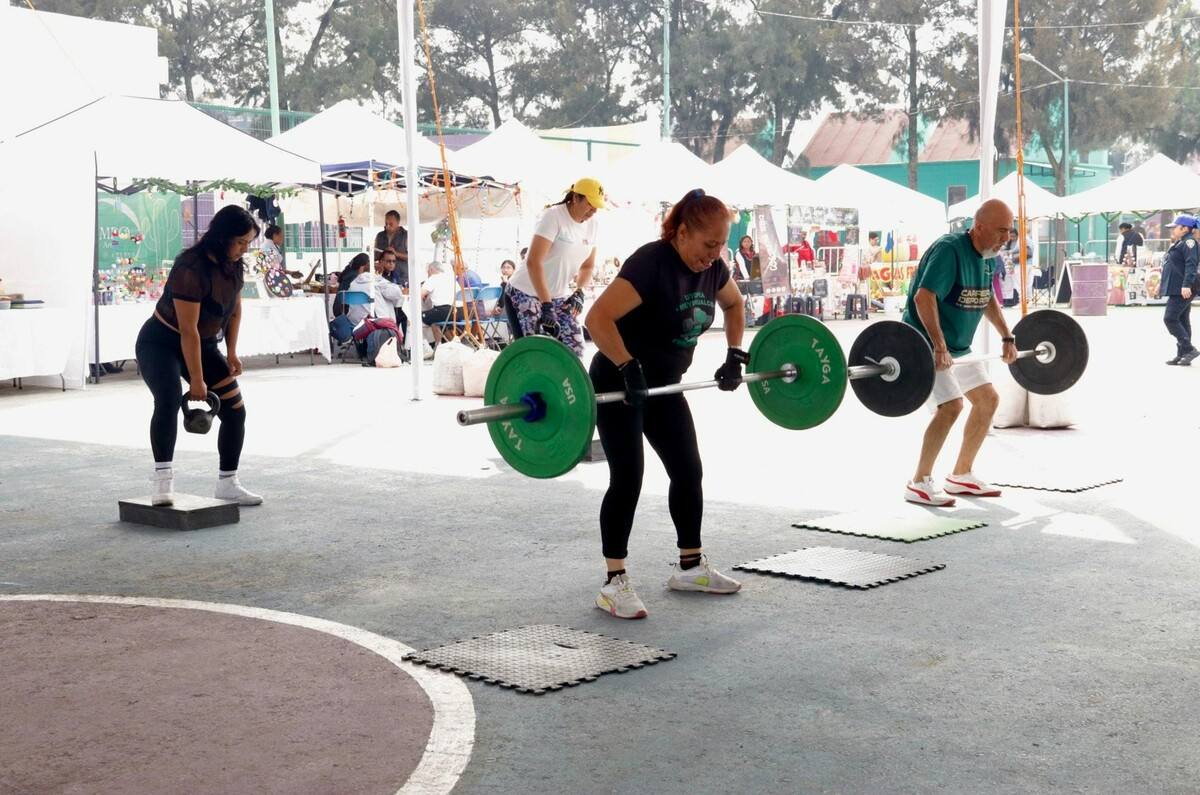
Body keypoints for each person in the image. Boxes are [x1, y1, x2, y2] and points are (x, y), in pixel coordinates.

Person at [584, 188, 746, 619]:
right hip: (619, 383)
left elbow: (734, 304)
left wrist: (735, 354)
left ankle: (690, 567)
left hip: (664, 386)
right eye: (708, 244)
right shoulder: (652, 263)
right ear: (681, 233)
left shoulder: (713, 271)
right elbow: (597, 318)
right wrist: (626, 364)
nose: (714, 254)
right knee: (628, 477)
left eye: (721, 245)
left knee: (688, 470)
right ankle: (613, 582)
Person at [134, 206, 264, 508]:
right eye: (241, 242)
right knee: (167, 401)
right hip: (161, 342)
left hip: (204, 345)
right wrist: (196, 380)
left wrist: (231, 352)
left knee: (235, 410)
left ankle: (228, 483)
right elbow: (188, 331)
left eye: (248, 243)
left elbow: (234, 309)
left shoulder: (234, 265)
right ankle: (162, 481)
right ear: (222, 236)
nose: (245, 249)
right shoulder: (190, 268)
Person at [901, 198, 1018, 507]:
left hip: (959, 346)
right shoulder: (948, 250)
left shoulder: (987, 253)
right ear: (979, 228)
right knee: (951, 407)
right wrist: (938, 345)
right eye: (1002, 231)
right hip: (923, 343)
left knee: (987, 400)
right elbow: (923, 298)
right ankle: (919, 482)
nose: (1007, 237)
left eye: (1010, 231)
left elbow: (985, 297)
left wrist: (1007, 335)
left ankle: (961, 475)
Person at [507, 178, 603, 355]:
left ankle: (570, 384)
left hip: (559, 295)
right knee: (538, 352)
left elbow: (588, 266)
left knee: (576, 349)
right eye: (590, 204)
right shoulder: (553, 216)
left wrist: (580, 291)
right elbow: (533, 262)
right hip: (525, 291)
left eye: (597, 206)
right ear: (575, 198)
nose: (593, 211)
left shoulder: (593, 225)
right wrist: (546, 305)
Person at [1159, 214, 1199, 365]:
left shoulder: (1189, 242)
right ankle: (1182, 354)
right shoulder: (1181, 242)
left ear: (1185, 228)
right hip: (1177, 287)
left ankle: (1189, 349)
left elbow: (1191, 264)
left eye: (1175, 227)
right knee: (1182, 320)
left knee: (1170, 318)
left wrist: (1186, 285)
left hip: (1183, 288)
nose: (1172, 230)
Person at [421, 261, 456, 341]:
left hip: (444, 312)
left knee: (420, 317)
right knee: (437, 318)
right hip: (458, 313)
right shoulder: (450, 278)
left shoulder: (433, 278)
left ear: (431, 269)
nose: (428, 274)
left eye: (428, 272)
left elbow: (419, 295)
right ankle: (452, 344)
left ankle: (436, 346)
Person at [373, 210, 409, 286]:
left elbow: (412, 257)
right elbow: (374, 256)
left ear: (398, 223)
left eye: (391, 224)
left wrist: (396, 253)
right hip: (383, 278)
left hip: (401, 278)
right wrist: (381, 254)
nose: (387, 226)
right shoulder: (380, 235)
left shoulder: (406, 235)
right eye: (386, 224)